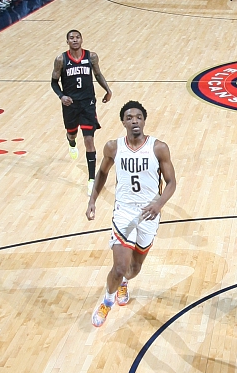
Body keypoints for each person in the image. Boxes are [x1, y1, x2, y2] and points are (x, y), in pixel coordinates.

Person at [86, 100, 176, 328]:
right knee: (119, 267)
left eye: (138, 117)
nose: (134, 120)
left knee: (133, 269)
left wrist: (159, 204)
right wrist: (92, 200)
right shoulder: (113, 147)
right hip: (124, 212)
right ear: (123, 122)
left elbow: (171, 182)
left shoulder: (159, 148)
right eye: (129, 117)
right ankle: (107, 301)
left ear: (144, 121)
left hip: (149, 213)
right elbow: (102, 173)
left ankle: (124, 283)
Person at [50, 29, 112, 195]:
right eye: (71, 38)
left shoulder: (91, 57)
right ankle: (71, 142)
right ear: (67, 42)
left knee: (89, 140)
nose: (75, 40)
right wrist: (61, 96)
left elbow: (98, 74)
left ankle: (91, 180)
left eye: (77, 37)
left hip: (88, 103)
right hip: (70, 104)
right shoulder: (61, 59)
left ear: (82, 39)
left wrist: (107, 90)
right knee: (72, 134)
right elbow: (54, 82)